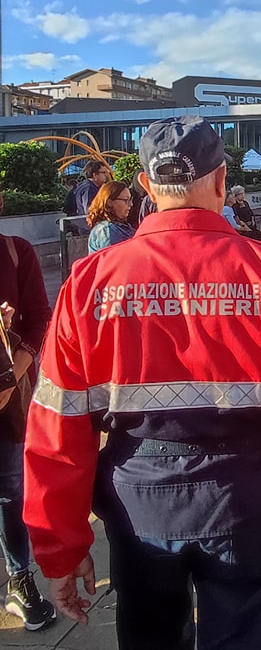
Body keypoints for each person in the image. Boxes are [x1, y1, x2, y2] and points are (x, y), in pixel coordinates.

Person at [23, 116, 261, 650]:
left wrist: (59, 548)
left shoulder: (90, 282)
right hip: (249, 497)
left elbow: (55, 430)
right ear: (222, 180)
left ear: (147, 187)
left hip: (140, 505)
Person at [0, 192, 55, 631]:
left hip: (7, 405)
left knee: (10, 493)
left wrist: (10, 378)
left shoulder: (16, 253)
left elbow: (39, 318)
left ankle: (19, 577)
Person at [86, 181, 136, 253]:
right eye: (126, 200)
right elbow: (115, 261)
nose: (131, 204)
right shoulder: (107, 230)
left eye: (130, 199)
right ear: (110, 202)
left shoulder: (118, 226)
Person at [72, 160, 109, 232]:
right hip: (89, 228)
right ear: (95, 175)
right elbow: (89, 209)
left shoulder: (93, 186)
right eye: (103, 173)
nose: (106, 175)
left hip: (92, 226)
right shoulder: (88, 188)